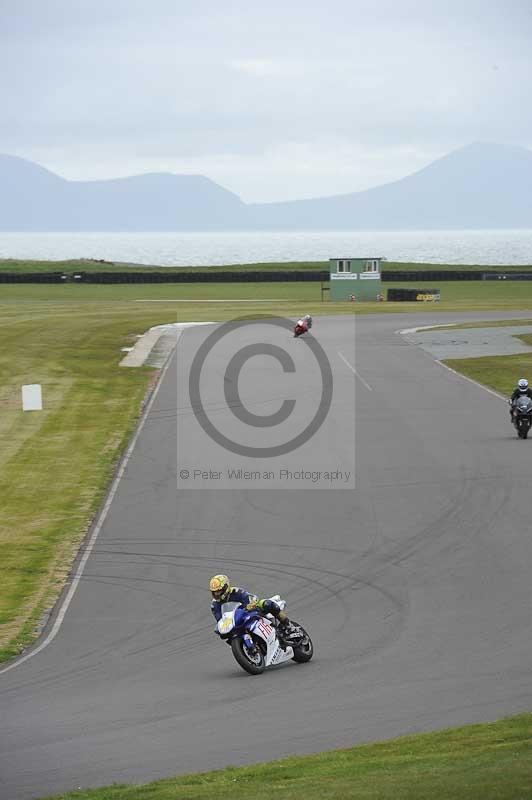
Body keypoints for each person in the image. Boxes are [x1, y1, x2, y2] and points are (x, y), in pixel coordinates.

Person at [209, 574, 292, 631]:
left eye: (219, 591)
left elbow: (252, 598)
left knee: (266, 604)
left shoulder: (236, 592)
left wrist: (250, 605)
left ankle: (288, 625)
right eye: (215, 592)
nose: (217, 594)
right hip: (236, 623)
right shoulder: (214, 605)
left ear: (226, 587)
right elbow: (220, 620)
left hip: (250, 613)